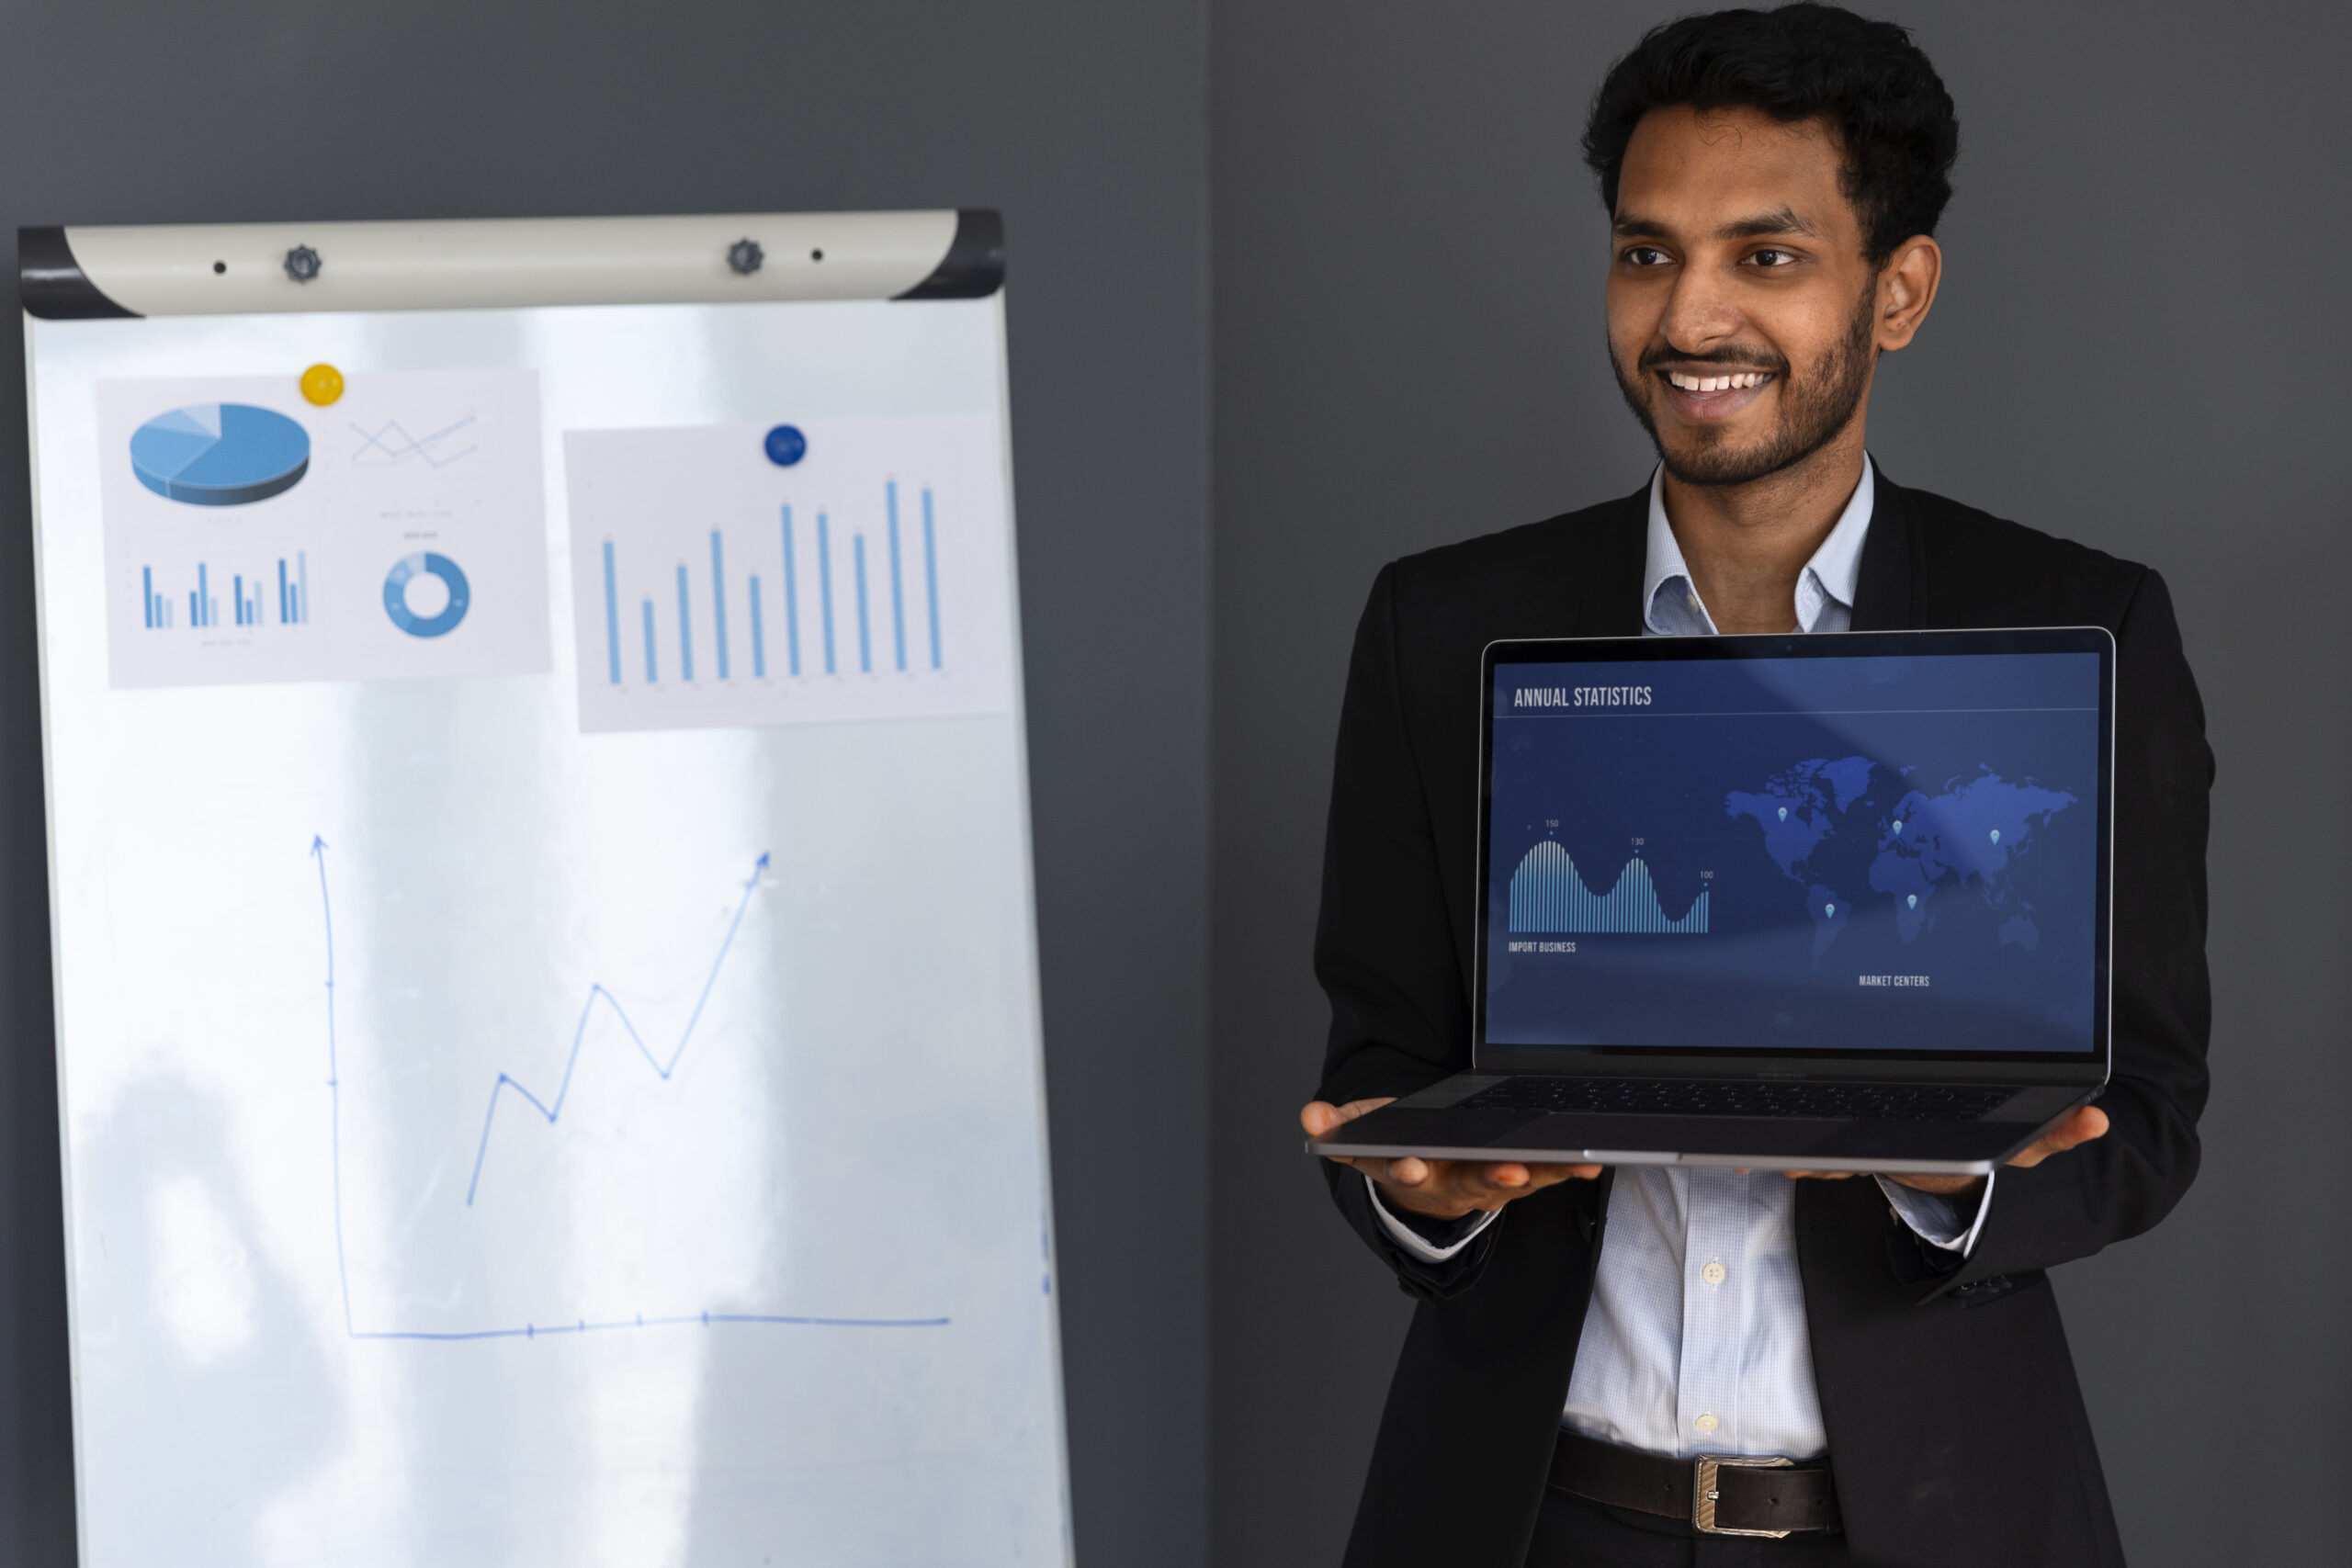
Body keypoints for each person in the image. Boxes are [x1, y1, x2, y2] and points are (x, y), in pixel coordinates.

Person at [1296, 6, 2212, 1565]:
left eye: (1766, 258)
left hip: (1920, 1516)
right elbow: (1385, 1059)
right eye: (1646, 253)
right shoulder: (1441, 627)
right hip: (1529, 1513)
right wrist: (1428, 1193)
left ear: (1898, 290)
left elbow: (2149, 1107)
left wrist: (1954, 1183)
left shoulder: (2079, 628)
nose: (1689, 316)